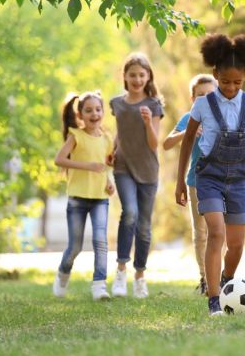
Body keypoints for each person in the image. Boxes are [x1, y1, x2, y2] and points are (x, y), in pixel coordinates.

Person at [175, 33, 245, 315]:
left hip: (237, 180)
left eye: (237, 82)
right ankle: (214, 299)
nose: (230, 87)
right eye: (225, 82)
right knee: (216, 233)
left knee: (236, 246)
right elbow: (187, 141)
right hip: (209, 178)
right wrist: (179, 182)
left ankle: (226, 282)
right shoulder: (202, 104)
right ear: (215, 74)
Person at [109, 53, 163, 298]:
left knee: (143, 226)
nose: (137, 79)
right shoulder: (117, 104)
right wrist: (112, 150)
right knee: (129, 213)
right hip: (123, 167)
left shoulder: (153, 105)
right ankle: (120, 272)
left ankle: (140, 276)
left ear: (148, 76)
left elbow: (154, 144)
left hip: (148, 170)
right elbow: (120, 133)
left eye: (142, 74)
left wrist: (148, 123)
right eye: (133, 74)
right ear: (125, 77)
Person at [52, 91, 115, 301]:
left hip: (100, 198)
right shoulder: (75, 136)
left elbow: (105, 167)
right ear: (80, 115)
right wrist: (87, 166)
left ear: (103, 112)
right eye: (88, 110)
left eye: (98, 109)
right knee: (75, 246)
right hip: (77, 198)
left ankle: (99, 285)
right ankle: (62, 275)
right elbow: (59, 159)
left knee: (100, 241)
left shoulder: (107, 139)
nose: (94, 114)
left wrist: (109, 184)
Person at [163, 74, 217, 296]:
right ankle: (205, 278)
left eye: (210, 94)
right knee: (201, 232)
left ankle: (218, 275)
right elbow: (167, 144)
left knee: (219, 231)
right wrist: (189, 132)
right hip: (195, 181)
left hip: (220, 180)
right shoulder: (189, 118)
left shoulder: (224, 116)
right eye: (200, 95)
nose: (205, 99)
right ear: (192, 98)